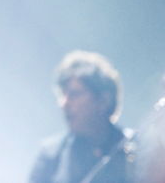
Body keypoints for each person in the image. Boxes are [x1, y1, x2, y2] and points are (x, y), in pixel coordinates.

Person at [29, 50, 136, 183]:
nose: (64, 103)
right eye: (63, 95)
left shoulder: (136, 150)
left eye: (74, 94)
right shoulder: (50, 156)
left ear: (103, 100)